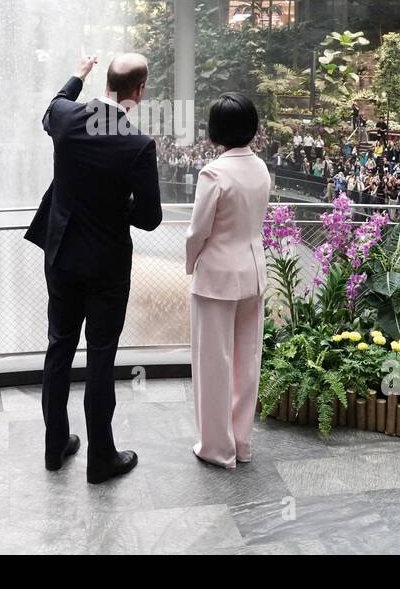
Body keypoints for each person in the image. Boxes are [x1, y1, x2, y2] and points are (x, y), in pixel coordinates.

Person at [26, 53, 163, 484]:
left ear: (104, 83)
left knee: (58, 350)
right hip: (106, 266)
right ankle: (101, 458)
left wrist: (76, 76)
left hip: (62, 256)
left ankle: (55, 447)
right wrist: (117, 206)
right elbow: (150, 217)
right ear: (138, 92)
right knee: (100, 359)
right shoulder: (136, 145)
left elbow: (53, 104)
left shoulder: (66, 119)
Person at [185, 93, 271, 469]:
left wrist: (191, 265)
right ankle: (242, 441)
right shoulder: (261, 169)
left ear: (215, 130)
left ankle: (217, 447)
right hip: (253, 273)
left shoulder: (214, 173)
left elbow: (196, 233)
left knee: (213, 362)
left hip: (217, 277)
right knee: (248, 359)